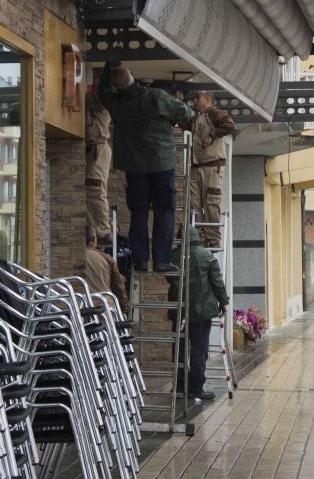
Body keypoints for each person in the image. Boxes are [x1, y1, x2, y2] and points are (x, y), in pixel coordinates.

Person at [98, 63, 193, 272]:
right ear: (133, 76)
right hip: (161, 163)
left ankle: (140, 260)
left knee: (138, 212)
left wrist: (108, 68)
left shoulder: (116, 103)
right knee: (165, 210)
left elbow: (102, 91)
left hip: (134, 166)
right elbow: (184, 113)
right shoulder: (155, 97)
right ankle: (161, 260)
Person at [167, 225, 228, 400]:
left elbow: (168, 278)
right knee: (199, 350)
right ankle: (195, 387)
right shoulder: (207, 255)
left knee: (179, 349)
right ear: (196, 237)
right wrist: (223, 302)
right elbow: (217, 282)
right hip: (202, 312)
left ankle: (179, 387)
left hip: (180, 310)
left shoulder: (173, 257)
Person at [182, 91, 235, 249]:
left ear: (207, 100)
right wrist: (173, 123)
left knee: (211, 202)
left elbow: (230, 125)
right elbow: (182, 125)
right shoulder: (196, 118)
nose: (194, 100)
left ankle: (212, 239)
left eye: (197, 98)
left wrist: (212, 135)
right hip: (196, 166)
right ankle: (199, 238)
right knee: (195, 204)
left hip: (212, 165)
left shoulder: (214, 113)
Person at [85, 70, 113, 244]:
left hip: (99, 146)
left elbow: (91, 101)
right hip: (94, 147)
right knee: (90, 189)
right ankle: (96, 228)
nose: (93, 81)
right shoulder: (97, 97)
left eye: (96, 77)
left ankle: (103, 230)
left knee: (96, 188)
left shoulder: (103, 97)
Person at [85, 225, 129, 316]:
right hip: (104, 310)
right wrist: (123, 309)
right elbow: (118, 287)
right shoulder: (106, 259)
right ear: (93, 239)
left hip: (77, 311)